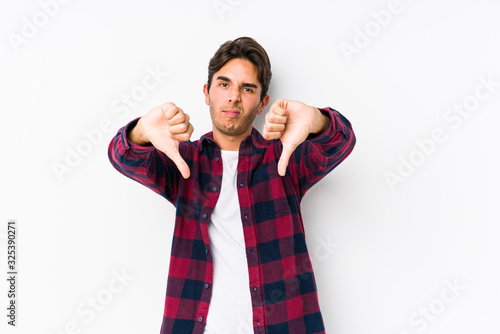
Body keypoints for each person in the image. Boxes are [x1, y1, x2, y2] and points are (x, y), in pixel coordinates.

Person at [108, 36, 356, 334]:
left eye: (247, 88)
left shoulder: (283, 159)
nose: (233, 97)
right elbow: (123, 156)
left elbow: (340, 141)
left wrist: (316, 120)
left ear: (263, 102)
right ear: (207, 92)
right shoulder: (185, 162)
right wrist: (140, 132)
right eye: (224, 84)